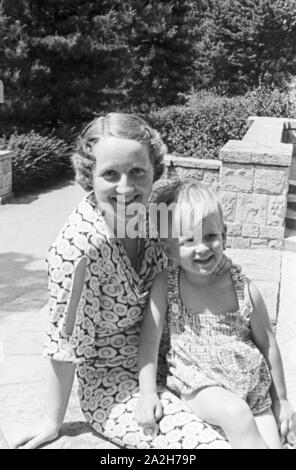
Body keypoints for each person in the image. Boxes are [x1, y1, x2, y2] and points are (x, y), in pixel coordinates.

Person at [13, 113, 234, 450]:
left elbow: (201, 262)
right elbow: (65, 339)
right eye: (110, 174)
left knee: (247, 420)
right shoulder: (79, 250)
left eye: (137, 172)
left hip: (178, 361)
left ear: (154, 171)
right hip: (115, 383)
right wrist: (51, 420)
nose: (126, 187)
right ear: (89, 176)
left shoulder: (153, 216)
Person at [135, 179, 295, 449]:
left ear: (224, 234)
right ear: (169, 248)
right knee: (236, 414)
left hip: (251, 390)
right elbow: (149, 343)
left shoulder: (245, 289)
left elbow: (268, 345)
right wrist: (147, 393)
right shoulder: (166, 284)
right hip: (198, 384)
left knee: (272, 442)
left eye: (210, 236)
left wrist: (282, 400)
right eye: (189, 240)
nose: (202, 248)